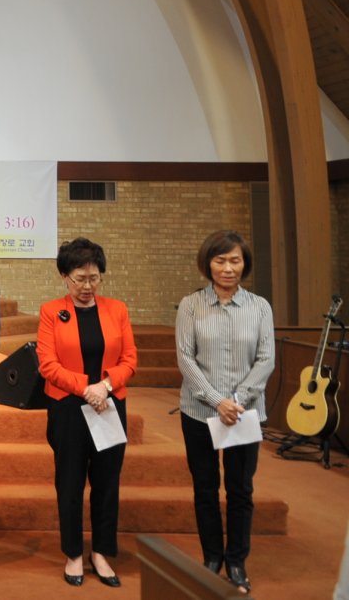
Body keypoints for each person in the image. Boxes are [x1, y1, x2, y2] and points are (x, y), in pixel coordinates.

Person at [176, 230, 274, 595]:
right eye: (220, 261)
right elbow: (185, 358)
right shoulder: (191, 305)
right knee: (205, 488)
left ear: (245, 263)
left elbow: (266, 359)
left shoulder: (260, 307)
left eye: (235, 260)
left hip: (244, 414)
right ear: (208, 264)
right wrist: (218, 401)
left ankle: (236, 561)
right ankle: (212, 557)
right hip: (199, 411)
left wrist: (238, 400)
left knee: (240, 489)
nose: (228, 268)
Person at [37, 238, 137, 588]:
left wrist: (105, 386)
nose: (87, 286)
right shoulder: (52, 311)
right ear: (64, 276)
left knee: (107, 482)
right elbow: (48, 365)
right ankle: (74, 553)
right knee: (70, 482)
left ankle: (102, 552)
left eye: (94, 278)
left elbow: (130, 360)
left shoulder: (117, 310)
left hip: (109, 405)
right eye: (79, 279)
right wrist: (86, 388)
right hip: (67, 408)